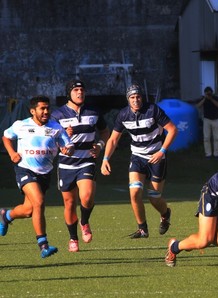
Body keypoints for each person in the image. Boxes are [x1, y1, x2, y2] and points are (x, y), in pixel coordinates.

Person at [0, 95, 74, 258]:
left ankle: (6, 216)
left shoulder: (56, 128)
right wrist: (12, 153)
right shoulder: (21, 125)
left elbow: (68, 145)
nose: (46, 111)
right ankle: (43, 245)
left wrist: (68, 150)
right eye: (42, 108)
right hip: (25, 170)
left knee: (28, 210)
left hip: (44, 174)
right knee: (39, 201)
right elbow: (5, 136)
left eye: (48, 108)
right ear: (33, 111)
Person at [101, 84, 178, 238]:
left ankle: (165, 213)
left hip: (157, 157)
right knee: (135, 192)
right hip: (137, 157)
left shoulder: (153, 110)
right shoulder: (123, 115)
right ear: (128, 99)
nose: (135, 100)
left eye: (138, 97)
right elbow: (113, 139)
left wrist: (162, 151)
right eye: (132, 97)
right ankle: (143, 229)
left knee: (153, 197)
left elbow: (173, 129)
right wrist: (105, 159)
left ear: (141, 98)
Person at [51, 79, 110, 252]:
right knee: (69, 204)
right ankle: (73, 238)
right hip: (66, 165)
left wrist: (99, 146)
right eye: (76, 90)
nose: (79, 93)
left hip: (86, 161)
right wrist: (62, 136)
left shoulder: (93, 112)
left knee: (87, 196)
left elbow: (105, 132)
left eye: (82, 90)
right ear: (69, 93)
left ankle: (84, 221)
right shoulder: (58, 115)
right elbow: (50, 140)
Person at [196, 86, 218, 158]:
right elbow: (198, 106)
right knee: (206, 137)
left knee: (216, 137)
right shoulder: (203, 99)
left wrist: (211, 99)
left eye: (209, 93)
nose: (208, 94)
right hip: (207, 120)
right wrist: (205, 98)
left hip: (216, 119)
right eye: (207, 93)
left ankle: (216, 153)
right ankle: (208, 154)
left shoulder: (215, 98)